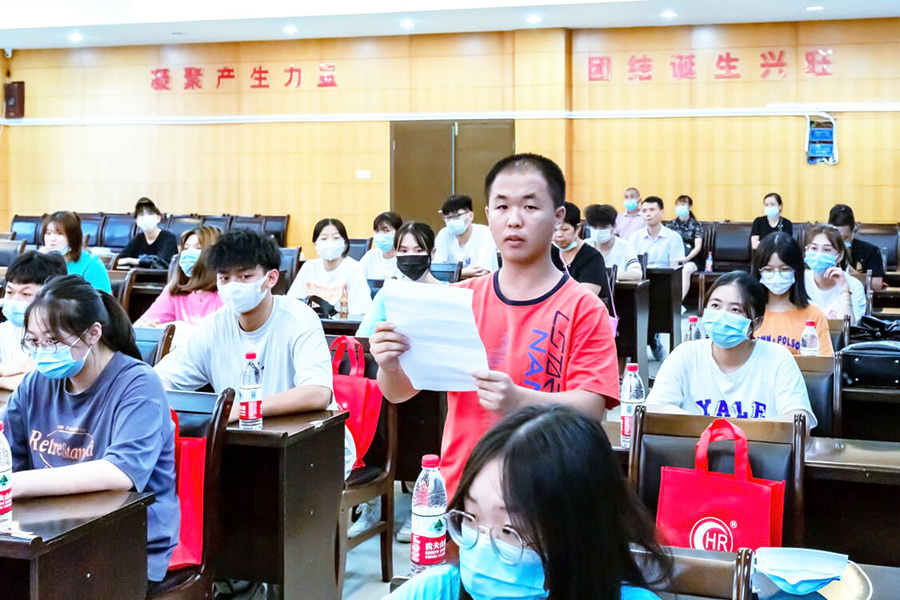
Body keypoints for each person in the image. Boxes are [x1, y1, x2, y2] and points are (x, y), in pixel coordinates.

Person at [370, 153, 620, 500]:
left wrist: (519, 401)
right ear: (488, 215)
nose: (514, 220)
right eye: (502, 207)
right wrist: (389, 364)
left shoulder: (583, 307)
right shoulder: (458, 299)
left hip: (546, 492)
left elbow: (591, 408)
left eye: (530, 207)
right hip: (463, 489)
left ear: (558, 216)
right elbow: (399, 392)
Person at [387, 404, 669, 600]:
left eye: (510, 530)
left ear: (578, 535)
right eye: (470, 518)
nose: (481, 546)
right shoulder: (438, 591)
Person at [1, 275, 179, 585]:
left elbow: (119, 473)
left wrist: (14, 485)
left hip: (125, 543)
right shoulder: (36, 383)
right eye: (35, 342)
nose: (43, 352)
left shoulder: (138, 384)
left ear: (93, 333)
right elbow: (6, 450)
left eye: (53, 341)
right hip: (48, 534)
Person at [153, 229, 356, 478]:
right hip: (242, 448)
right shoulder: (214, 326)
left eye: (245, 276)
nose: (233, 286)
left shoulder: (299, 318)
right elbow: (159, 382)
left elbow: (318, 393)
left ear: (271, 278)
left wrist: (242, 409)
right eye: (225, 278)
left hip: (312, 448)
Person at [646, 271, 817, 431]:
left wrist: (737, 432)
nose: (722, 315)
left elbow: (800, 420)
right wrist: (706, 429)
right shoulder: (685, 355)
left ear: (756, 323)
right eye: (715, 305)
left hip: (756, 452)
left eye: (735, 310)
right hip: (694, 452)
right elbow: (653, 410)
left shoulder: (777, 358)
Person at [357, 221, 444, 338]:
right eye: (403, 251)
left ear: (432, 252)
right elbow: (362, 337)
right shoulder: (387, 293)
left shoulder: (449, 293)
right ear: (395, 252)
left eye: (418, 250)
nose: (410, 255)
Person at [752, 233, 833, 356]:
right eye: (768, 270)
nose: (776, 275)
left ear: (796, 271)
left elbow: (823, 364)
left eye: (784, 269)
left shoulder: (814, 316)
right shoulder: (748, 313)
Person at [0, 252, 67, 390]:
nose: (14, 301)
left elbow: (44, 384)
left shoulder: (63, 336)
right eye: (10, 292)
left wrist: (5, 375)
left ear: (50, 295)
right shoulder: (5, 330)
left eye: (26, 294)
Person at [134, 226, 223, 329]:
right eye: (186, 248)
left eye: (198, 248)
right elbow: (141, 324)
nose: (189, 253)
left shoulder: (225, 292)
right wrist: (145, 327)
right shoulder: (176, 290)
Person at [287, 218, 372, 315]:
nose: (330, 243)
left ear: (344, 243)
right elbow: (292, 304)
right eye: (324, 239)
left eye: (336, 238)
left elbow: (360, 312)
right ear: (315, 244)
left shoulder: (354, 268)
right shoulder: (309, 267)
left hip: (343, 324)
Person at [803, 225, 866, 324]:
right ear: (806, 251)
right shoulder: (799, 281)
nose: (819, 254)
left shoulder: (854, 285)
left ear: (840, 256)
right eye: (814, 248)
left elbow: (850, 327)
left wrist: (845, 290)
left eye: (827, 250)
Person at [39, 211, 112, 293]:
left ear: (72, 237)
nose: (52, 239)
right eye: (48, 233)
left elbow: (103, 298)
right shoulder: (40, 261)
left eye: (60, 234)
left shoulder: (91, 263)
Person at [550, 202, 610, 299]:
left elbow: (586, 297)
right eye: (554, 230)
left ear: (577, 228)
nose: (558, 235)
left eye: (564, 229)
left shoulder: (592, 258)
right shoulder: (547, 254)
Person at [433, 194, 499, 278]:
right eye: (448, 218)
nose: (452, 221)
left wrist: (452, 274)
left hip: (481, 284)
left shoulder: (485, 233)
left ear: (470, 216)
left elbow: (481, 272)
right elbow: (437, 271)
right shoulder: (444, 234)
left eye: (457, 216)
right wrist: (464, 272)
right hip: (452, 285)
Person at [828, 204, 886, 291]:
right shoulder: (820, 251)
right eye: (836, 238)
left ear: (854, 230)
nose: (840, 243)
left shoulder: (870, 251)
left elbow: (876, 285)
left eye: (844, 238)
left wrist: (851, 272)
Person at [584, 204, 642, 281]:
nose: (598, 231)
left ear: (614, 226)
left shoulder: (625, 246)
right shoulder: (584, 246)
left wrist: (607, 276)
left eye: (603, 227)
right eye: (594, 227)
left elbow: (637, 273)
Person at [116, 198, 178, 269]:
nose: (146, 218)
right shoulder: (138, 239)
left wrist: (132, 261)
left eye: (150, 214)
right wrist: (131, 260)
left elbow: (161, 264)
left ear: (158, 218)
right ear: (137, 221)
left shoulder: (168, 238)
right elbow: (119, 260)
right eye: (142, 215)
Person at [628, 197, 686, 269]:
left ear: (662, 213)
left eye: (652, 210)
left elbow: (676, 268)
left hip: (666, 275)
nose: (648, 214)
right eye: (644, 211)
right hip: (641, 275)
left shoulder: (674, 237)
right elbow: (630, 266)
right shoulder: (634, 237)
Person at [666, 194, 704, 301]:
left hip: (691, 259)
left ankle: (677, 303)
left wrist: (686, 259)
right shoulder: (670, 225)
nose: (680, 207)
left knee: (685, 270)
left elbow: (698, 247)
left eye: (683, 205)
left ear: (689, 207)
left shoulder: (696, 225)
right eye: (678, 205)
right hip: (674, 257)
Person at [359, 211, 403, 281]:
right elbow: (356, 278)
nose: (380, 235)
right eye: (377, 231)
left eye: (386, 230)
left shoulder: (404, 258)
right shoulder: (371, 255)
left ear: (399, 233)